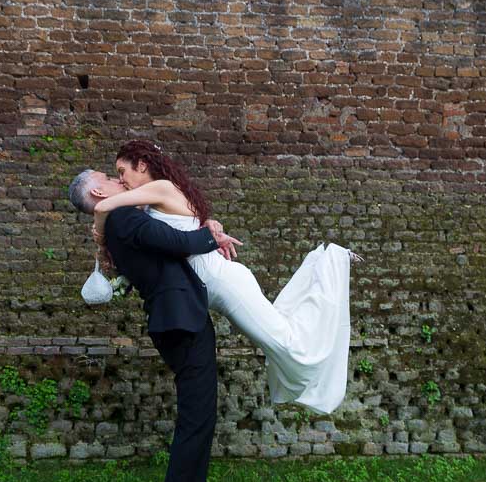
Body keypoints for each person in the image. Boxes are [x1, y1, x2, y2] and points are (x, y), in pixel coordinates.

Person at [92, 140, 356, 416]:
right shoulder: (151, 200)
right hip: (213, 285)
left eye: (122, 171)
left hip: (226, 283)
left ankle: (331, 263)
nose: (121, 180)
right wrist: (211, 228)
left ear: (142, 165)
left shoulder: (161, 188)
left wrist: (99, 236)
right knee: (280, 338)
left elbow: (102, 207)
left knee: (286, 344)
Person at [69, 168, 239, 482]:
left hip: (178, 319)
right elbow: (176, 242)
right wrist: (208, 235)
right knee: (196, 422)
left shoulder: (118, 221)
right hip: (180, 322)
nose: (121, 182)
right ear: (98, 191)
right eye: (110, 178)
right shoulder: (124, 218)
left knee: (201, 420)